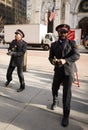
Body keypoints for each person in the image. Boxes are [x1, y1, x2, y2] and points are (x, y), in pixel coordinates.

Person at [48, 24, 80, 127]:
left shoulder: (72, 43)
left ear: (67, 33)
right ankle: (55, 100)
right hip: (58, 70)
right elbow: (50, 57)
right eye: (61, 32)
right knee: (54, 88)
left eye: (65, 32)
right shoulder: (53, 45)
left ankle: (66, 115)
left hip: (68, 71)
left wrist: (65, 60)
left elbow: (76, 55)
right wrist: (53, 61)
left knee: (67, 94)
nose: (63, 34)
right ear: (58, 33)